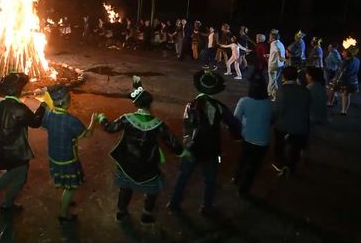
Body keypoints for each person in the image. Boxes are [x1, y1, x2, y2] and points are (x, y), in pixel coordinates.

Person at [97, 76, 187, 224]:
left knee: (125, 189)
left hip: (127, 162)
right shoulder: (159, 124)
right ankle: (146, 214)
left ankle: (121, 212)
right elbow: (172, 143)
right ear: (150, 104)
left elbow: (110, 128)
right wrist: (184, 153)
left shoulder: (127, 118)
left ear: (135, 104)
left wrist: (102, 118)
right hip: (148, 164)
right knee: (152, 190)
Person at [167, 70, 241, 216]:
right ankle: (206, 207)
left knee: (183, 177)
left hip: (191, 148)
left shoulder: (190, 105)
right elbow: (234, 124)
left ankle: (174, 203)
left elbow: (187, 126)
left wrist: (187, 144)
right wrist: (236, 135)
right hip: (211, 149)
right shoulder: (219, 106)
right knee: (210, 180)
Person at [0, 72, 47, 212]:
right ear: (18, 90)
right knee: (20, 177)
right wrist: (43, 107)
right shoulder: (19, 108)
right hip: (16, 154)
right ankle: (7, 203)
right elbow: (35, 123)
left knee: (13, 173)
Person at [41, 85, 91, 224]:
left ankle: (66, 200)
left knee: (65, 182)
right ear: (65, 102)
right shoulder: (71, 120)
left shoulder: (49, 114)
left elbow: (42, 125)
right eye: (70, 99)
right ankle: (64, 215)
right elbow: (87, 134)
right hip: (68, 158)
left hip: (54, 156)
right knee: (70, 187)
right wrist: (94, 121)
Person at [232, 71, 271, 198]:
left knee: (243, 158)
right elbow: (271, 119)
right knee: (253, 166)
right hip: (262, 140)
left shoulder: (244, 101)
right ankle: (243, 189)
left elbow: (235, 118)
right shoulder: (269, 104)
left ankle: (236, 177)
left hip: (246, 136)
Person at [272, 66, 311, 177]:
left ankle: (280, 165)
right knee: (295, 149)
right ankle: (291, 167)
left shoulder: (282, 90)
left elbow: (279, 110)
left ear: (283, 77)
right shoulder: (305, 91)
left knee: (279, 145)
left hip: (283, 125)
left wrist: (271, 120)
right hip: (301, 127)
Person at [333, 44, 360, 116]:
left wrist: (336, 80)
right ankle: (345, 110)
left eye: (344, 52)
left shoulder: (346, 61)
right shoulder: (357, 60)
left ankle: (343, 111)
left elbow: (341, 72)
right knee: (347, 95)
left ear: (348, 53)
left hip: (346, 81)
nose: (342, 53)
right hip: (354, 81)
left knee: (344, 95)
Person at [267, 30, 286, 101]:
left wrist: (280, 57)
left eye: (270, 37)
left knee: (273, 81)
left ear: (273, 38)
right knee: (273, 80)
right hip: (280, 65)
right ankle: (269, 93)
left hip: (273, 65)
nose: (269, 38)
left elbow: (277, 50)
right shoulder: (281, 43)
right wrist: (269, 55)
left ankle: (275, 95)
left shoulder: (273, 44)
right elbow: (275, 52)